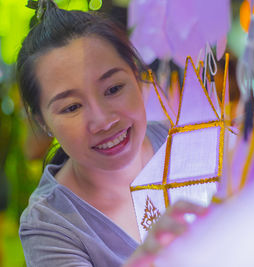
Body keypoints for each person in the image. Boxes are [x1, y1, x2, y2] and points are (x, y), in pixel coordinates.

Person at [17, 1, 206, 266]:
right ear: (43, 121)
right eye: (72, 107)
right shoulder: (48, 225)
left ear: (138, 78)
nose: (103, 121)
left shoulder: (192, 144)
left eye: (113, 89)